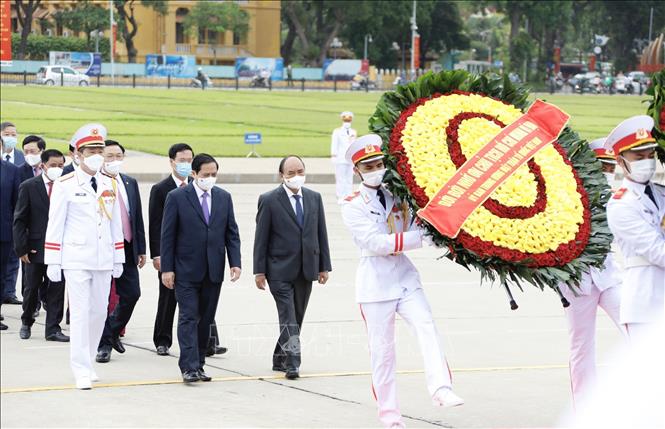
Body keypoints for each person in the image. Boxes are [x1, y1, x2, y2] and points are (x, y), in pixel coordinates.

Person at [341, 134, 464, 428]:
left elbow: (417, 225)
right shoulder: (351, 204)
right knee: (383, 354)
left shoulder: (400, 195)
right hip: (375, 285)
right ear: (357, 170)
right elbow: (377, 243)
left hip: (405, 278)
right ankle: (390, 416)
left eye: (379, 163)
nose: (376, 169)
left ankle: (441, 388)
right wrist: (423, 237)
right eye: (369, 166)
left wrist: (442, 235)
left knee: (426, 327)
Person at [44, 123, 125, 390]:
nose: (97, 155)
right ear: (77, 154)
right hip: (76, 258)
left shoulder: (109, 182)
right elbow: (55, 223)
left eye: (100, 149)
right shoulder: (65, 184)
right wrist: (53, 260)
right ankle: (79, 368)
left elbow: (114, 223)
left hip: (103, 257)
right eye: (91, 150)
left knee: (99, 313)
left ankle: (88, 362)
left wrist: (118, 257)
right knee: (79, 313)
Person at [160, 153, 241, 383]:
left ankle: (200, 364)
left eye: (214, 174)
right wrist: (167, 268)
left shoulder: (224, 197)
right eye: (206, 174)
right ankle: (188, 366)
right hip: (185, 270)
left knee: (205, 319)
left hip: (213, 270)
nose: (210, 178)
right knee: (188, 317)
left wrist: (235, 262)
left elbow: (231, 233)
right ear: (194, 174)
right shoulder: (176, 197)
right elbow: (167, 235)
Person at [560, 137, 626, 406]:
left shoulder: (616, 199)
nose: (608, 174)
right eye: (603, 167)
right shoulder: (566, 198)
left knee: (638, 329)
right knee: (582, 347)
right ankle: (586, 410)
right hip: (577, 283)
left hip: (609, 276)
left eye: (611, 169)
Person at [253, 155, 332, 380]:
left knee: (296, 317)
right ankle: (292, 362)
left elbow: (321, 233)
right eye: (290, 173)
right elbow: (261, 238)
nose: (296, 176)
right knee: (288, 317)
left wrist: (323, 265)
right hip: (279, 269)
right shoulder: (269, 200)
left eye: (299, 171)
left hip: (306, 268)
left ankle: (279, 357)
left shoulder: (314, 198)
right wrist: (259, 271)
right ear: (282, 176)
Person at [605, 115, 665, 339]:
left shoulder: (661, 193)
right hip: (646, 304)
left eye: (650, 156)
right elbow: (657, 251)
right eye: (639, 157)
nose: (647, 162)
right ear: (621, 161)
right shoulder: (621, 205)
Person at [96, 140, 146, 363]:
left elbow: (136, 217)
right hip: (103, 247)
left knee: (132, 294)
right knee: (102, 297)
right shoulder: (95, 182)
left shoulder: (129, 182)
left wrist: (141, 248)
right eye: (109, 156)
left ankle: (113, 330)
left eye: (118, 156)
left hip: (127, 246)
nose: (114, 160)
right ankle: (104, 344)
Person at [13, 149, 69, 342]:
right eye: (53, 165)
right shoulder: (29, 186)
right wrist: (22, 248)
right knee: (31, 288)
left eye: (61, 166)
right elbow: (20, 219)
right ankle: (26, 321)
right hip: (35, 248)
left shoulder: (67, 186)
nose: (57, 169)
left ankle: (53, 328)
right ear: (43, 165)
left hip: (61, 248)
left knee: (57, 289)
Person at [1, 121, 23, 305]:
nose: (11, 138)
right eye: (7, 134)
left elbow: (17, 199)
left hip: (6, 224)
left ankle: (7, 295)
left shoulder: (15, 165)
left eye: (13, 134)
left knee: (7, 264)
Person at [330, 111, 357, 203]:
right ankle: (340, 196)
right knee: (340, 178)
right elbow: (334, 144)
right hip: (340, 158)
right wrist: (333, 155)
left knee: (349, 178)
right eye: (346, 121)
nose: (347, 123)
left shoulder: (353, 132)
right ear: (342, 121)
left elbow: (354, 145)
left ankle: (348, 195)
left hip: (350, 159)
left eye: (348, 121)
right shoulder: (337, 132)